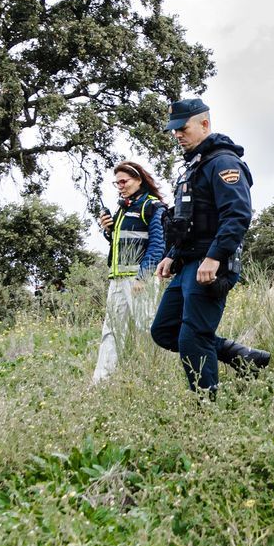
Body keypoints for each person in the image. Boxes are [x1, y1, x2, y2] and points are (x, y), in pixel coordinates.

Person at [151, 97, 270, 394]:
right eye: (173, 129)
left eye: (183, 127)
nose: (177, 134)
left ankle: (206, 406)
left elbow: (238, 215)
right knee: (165, 331)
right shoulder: (193, 166)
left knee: (193, 337)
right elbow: (187, 222)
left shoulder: (224, 163)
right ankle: (242, 357)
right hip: (188, 262)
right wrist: (171, 255)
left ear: (204, 124)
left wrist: (215, 257)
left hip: (211, 266)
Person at [93, 160, 168, 383]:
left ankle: (152, 376)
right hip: (117, 280)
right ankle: (101, 381)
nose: (120, 186)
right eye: (116, 183)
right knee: (111, 331)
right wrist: (108, 230)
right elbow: (119, 242)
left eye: (124, 181)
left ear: (138, 180)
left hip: (138, 280)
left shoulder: (153, 206)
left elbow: (157, 244)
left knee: (147, 328)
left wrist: (143, 276)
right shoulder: (123, 208)